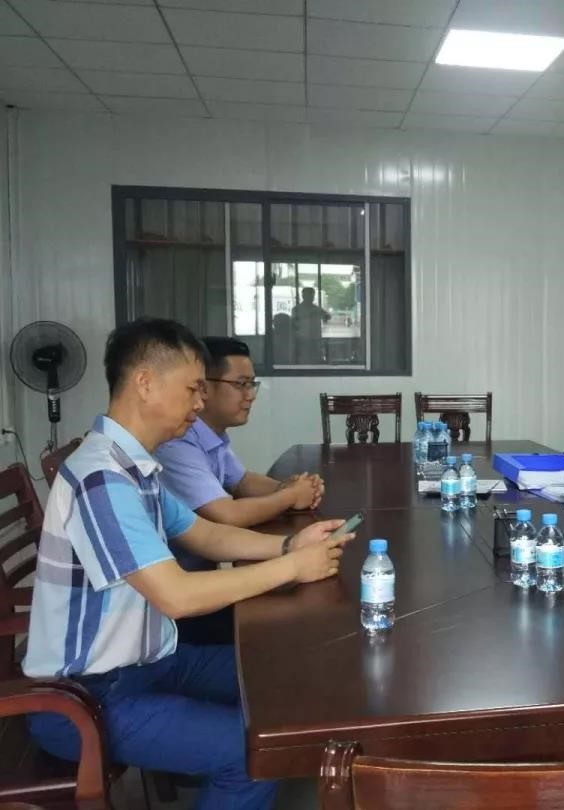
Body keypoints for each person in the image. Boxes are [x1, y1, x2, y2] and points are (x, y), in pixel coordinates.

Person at [22, 318, 353, 809]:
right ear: (145, 383)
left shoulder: (137, 468)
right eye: (193, 389)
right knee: (251, 755)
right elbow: (175, 594)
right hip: (87, 697)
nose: (200, 403)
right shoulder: (102, 479)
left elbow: (208, 535)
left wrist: (290, 545)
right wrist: (293, 568)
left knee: (282, 675)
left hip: (153, 661)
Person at [156, 336, 324, 530]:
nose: (251, 395)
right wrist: (291, 496)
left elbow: (241, 481)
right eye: (241, 384)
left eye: (252, 384)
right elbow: (227, 515)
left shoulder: (212, 433)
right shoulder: (177, 441)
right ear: (204, 388)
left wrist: (293, 487)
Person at [291, 286, 330, 363]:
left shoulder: (317, 309)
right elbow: (293, 324)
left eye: (312, 296)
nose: (311, 297)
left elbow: (328, 316)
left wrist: (324, 316)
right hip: (303, 340)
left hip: (314, 339)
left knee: (315, 360)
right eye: (309, 295)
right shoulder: (297, 309)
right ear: (303, 296)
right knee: (304, 360)